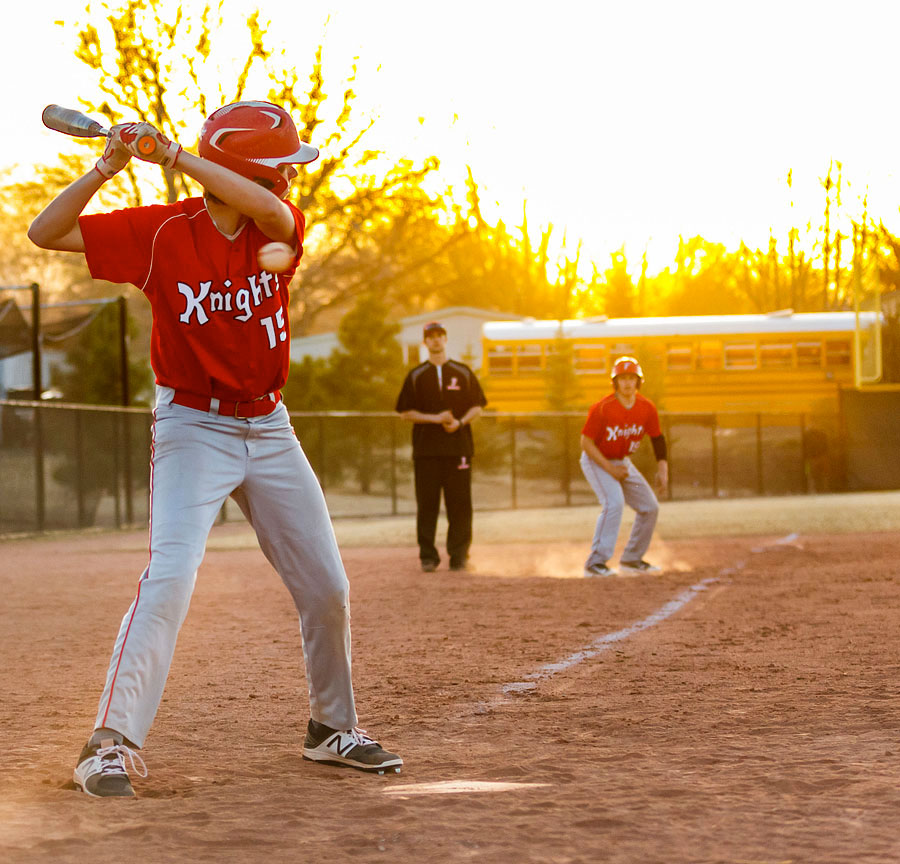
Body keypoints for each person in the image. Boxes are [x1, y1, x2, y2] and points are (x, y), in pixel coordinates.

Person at [27, 100, 402, 797]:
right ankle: (107, 742)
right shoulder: (161, 232)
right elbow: (44, 232)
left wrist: (171, 154)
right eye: (282, 162)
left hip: (269, 425)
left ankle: (332, 728)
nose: (291, 177)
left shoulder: (276, 226)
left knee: (326, 585)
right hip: (193, 427)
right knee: (169, 577)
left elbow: (268, 207)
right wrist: (104, 167)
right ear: (247, 163)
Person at [395, 321, 487, 572]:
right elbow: (405, 413)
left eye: (439, 336)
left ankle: (459, 556)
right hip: (427, 451)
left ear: (445, 340)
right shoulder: (416, 376)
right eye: (430, 337)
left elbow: (478, 406)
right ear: (425, 342)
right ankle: (428, 555)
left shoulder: (463, 372)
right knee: (427, 504)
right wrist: (435, 418)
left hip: (458, 449)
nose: (435, 340)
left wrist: (459, 422)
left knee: (460, 503)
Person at [579, 356, 668, 578]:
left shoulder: (646, 407)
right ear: (615, 382)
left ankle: (631, 560)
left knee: (650, 507)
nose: (627, 383)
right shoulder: (603, 408)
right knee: (614, 503)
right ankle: (595, 563)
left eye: (632, 378)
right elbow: (586, 443)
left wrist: (663, 470)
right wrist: (610, 469)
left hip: (622, 462)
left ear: (638, 382)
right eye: (622, 378)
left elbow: (657, 438)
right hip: (596, 460)